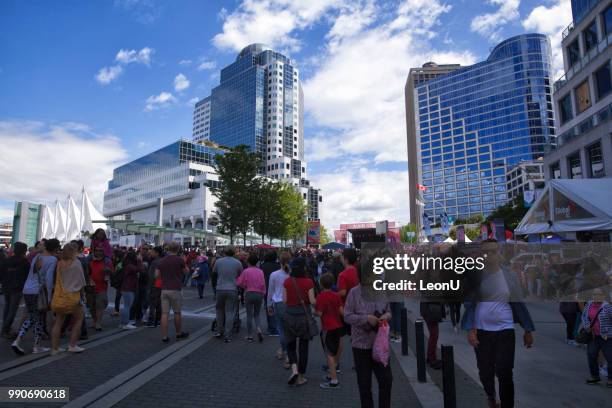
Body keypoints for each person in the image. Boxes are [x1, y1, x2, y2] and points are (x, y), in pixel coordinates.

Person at [461, 239, 535, 408]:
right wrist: (470, 329)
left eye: (493, 251)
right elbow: (469, 303)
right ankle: (491, 395)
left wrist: (527, 329)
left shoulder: (509, 275)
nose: (489, 256)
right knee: (485, 372)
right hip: (482, 331)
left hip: (505, 330)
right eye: (485, 252)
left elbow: (518, 303)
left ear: (499, 253)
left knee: (505, 373)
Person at [344, 265, 392, 408]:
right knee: (365, 385)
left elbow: (389, 311)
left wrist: (386, 316)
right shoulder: (354, 293)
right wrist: (366, 319)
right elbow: (347, 316)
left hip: (380, 345)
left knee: (386, 380)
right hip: (361, 345)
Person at [12, 238, 60, 355]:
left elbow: (31, 273)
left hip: (27, 289)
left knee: (37, 318)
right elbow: (48, 279)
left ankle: (36, 346)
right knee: (33, 317)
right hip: (37, 291)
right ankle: (17, 341)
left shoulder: (37, 257)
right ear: (54, 248)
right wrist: (49, 297)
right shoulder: (52, 259)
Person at [283, 257, 316, 386]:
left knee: (290, 346)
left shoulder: (287, 281)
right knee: (303, 347)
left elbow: (284, 300)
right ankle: (301, 376)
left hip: (289, 316)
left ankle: (294, 369)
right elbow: (312, 301)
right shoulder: (308, 282)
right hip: (303, 317)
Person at [50, 243, 86, 355]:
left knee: (58, 321)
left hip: (60, 297)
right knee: (79, 319)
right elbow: (81, 282)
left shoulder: (59, 263)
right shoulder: (76, 263)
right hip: (73, 296)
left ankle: (54, 349)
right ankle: (72, 345)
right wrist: (83, 295)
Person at [156, 242, 189, 342]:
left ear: (168, 249)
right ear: (178, 249)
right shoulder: (180, 260)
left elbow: (156, 276)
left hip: (164, 289)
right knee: (177, 312)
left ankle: (164, 336)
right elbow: (186, 272)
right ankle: (178, 333)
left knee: (164, 313)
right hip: (176, 289)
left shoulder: (162, 261)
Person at [316, 272, 345, 389]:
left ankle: (334, 380)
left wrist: (314, 310)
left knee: (329, 354)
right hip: (338, 326)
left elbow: (319, 313)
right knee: (334, 351)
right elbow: (341, 312)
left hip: (327, 327)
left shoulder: (321, 297)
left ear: (321, 284)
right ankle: (331, 374)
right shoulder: (336, 295)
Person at [581, 288, 612, 387]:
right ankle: (595, 377)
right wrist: (587, 326)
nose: (596, 296)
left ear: (603, 296)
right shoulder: (589, 304)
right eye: (594, 294)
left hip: (606, 336)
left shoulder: (607, 307)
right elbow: (584, 316)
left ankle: (611, 379)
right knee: (591, 355)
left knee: (610, 358)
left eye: (599, 294)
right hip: (593, 336)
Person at [213, 246, 243, 343]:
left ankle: (219, 331)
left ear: (224, 252)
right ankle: (227, 334)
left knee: (219, 310)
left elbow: (214, 273)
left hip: (220, 288)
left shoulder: (218, 262)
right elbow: (240, 276)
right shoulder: (238, 263)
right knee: (230, 312)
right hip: (232, 289)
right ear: (234, 253)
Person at [0, 242, 29, 339]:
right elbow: (26, 276)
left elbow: (1, 274)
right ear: (24, 251)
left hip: (6, 286)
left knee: (7, 308)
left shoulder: (6, 261)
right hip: (17, 288)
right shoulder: (25, 262)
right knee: (12, 309)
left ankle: (5, 328)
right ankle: (5, 329)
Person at [268, 251, 291, 367]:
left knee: (281, 329)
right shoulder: (292, 274)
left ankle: (284, 350)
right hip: (291, 304)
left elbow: (270, 291)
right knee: (290, 330)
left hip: (278, 302)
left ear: (279, 260)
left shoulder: (274, 274)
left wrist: (268, 305)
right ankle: (287, 353)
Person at [237, 254, 266, 343]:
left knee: (249, 315)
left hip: (249, 293)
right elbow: (263, 284)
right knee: (257, 314)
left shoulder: (246, 271)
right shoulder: (260, 272)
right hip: (259, 294)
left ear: (248, 262)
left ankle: (250, 335)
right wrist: (263, 294)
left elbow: (239, 283)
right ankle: (259, 329)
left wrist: (245, 286)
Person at [89, 247, 113, 331]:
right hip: (90, 288)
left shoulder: (107, 262)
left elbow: (112, 273)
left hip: (102, 287)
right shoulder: (90, 261)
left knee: (100, 305)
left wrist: (108, 271)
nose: (98, 252)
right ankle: (95, 321)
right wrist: (89, 279)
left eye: (100, 250)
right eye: (97, 250)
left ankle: (98, 322)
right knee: (91, 306)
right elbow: (86, 273)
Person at [119, 251, 142, 330]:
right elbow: (139, 269)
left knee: (126, 306)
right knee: (127, 306)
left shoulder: (127, 264)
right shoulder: (129, 266)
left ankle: (123, 323)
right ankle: (125, 323)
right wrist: (139, 260)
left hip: (126, 287)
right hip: (128, 288)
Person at [260, 251, 281, 336]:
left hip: (267, 288)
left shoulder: (263, 266)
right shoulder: (278, 266)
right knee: (277, 308)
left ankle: (271, 327)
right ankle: (276, 327)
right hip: (277, 289)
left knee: (269, 307)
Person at [146, 246, 163, 328]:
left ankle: (151, 320)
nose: (151, 253)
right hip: (161, 284)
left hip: (154, 284)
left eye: (152, 252)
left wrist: (149, 286)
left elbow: (152, 276)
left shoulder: (155, 262)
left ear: (157, 253)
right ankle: (158, 320)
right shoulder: (163, 261)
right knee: (159, 303)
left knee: (152, 303)